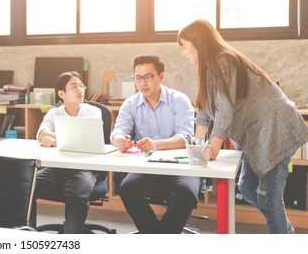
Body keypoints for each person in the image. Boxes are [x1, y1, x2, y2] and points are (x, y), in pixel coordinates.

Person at [178, 19, 308, 233]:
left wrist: (212, 147)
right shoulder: (207, 68)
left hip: (274, 127)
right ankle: (285, 230)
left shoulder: (224, 61)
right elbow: (203, 110)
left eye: (185, 47)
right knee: (247, 187)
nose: (183, 53)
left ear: (198, 43)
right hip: (254, 133)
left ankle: (282, 235)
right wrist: (198, 145)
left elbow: (224, 107)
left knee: (270, 198)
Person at [110, 54, 199, 234]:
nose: (143, 83)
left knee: (187, 193)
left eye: (148, 77)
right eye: (138, 78)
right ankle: (156, 236)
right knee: (126, 188)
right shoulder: (131, 103)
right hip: (147, 166)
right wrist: (118, 138)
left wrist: (156, 144)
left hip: (181, 166)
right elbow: (118, 130)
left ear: (161, 77)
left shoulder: (179, 100)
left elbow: (186, 137)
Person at [35, 71, 102, 233]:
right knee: (27, 185)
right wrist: (51, 136)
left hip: (84, 168)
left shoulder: (92, 112)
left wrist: (55, 139)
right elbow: (41, 133)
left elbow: (88, 138)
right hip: (56, 167)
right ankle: (26, 232)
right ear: (61, 93)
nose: (80, 90)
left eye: (81, 86)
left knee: (77, 194)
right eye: (74, 86)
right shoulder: (54, 112)